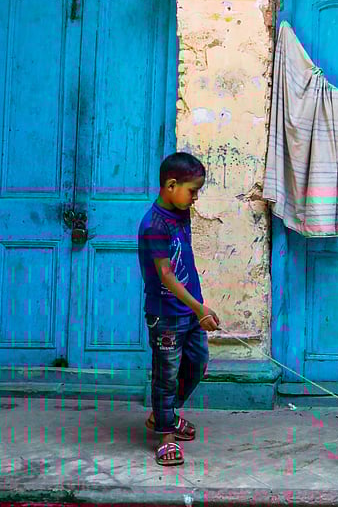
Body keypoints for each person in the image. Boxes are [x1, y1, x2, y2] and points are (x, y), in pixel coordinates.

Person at [137, 152, 221, 467]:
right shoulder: (154, 224)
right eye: (193, 190)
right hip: (167, 315)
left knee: (197, 362)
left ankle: (165, 414)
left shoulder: (180, 211)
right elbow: (166, 275)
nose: (196, 197)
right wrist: (199, 307)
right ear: (171, 185)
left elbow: (185, 261)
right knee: (166, 375)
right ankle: (165, 436)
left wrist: (200, 308)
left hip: (189, 311)